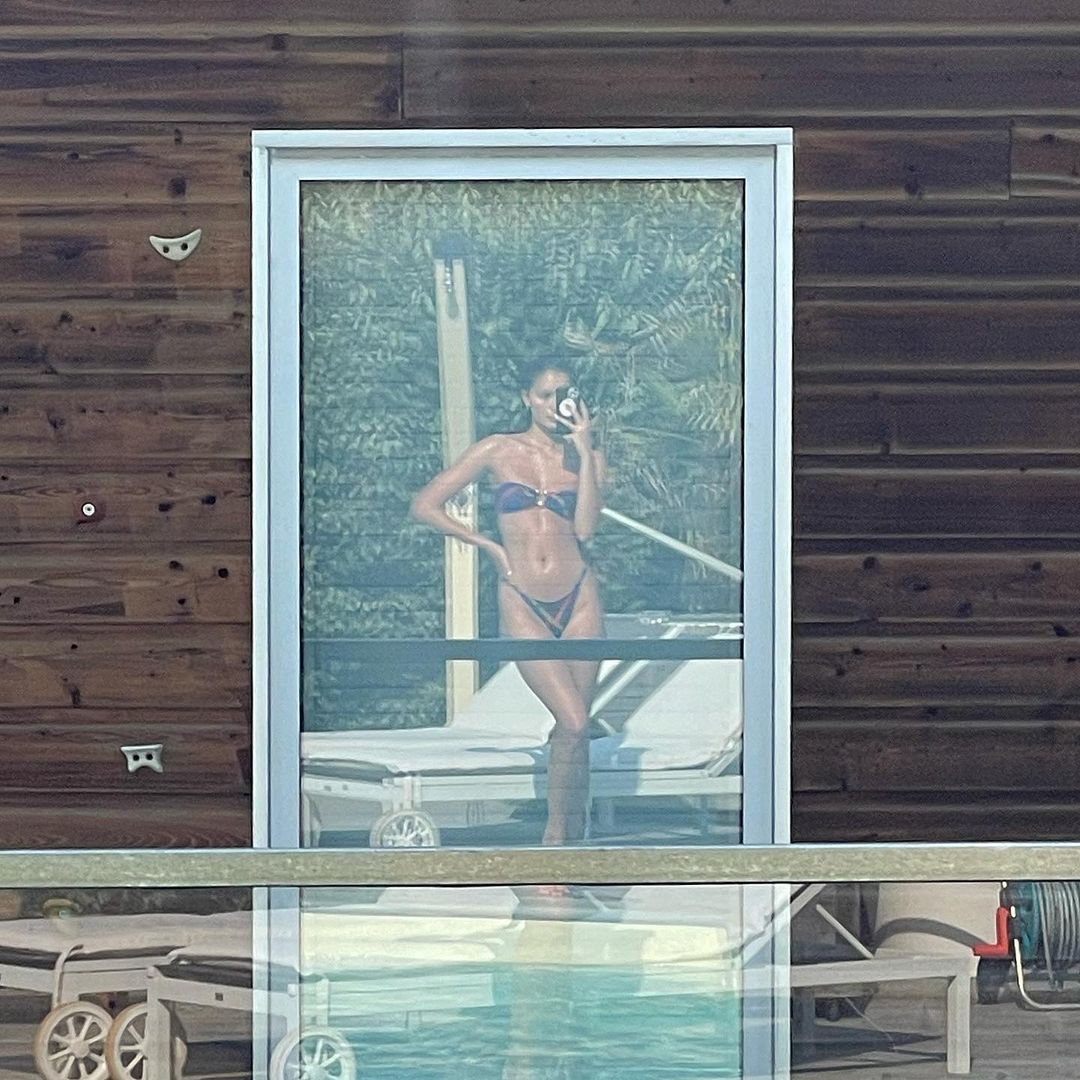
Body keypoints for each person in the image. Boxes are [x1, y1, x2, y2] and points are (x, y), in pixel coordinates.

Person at [410, 361, 606, 849]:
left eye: (563, 393)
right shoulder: (498, 449)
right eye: (545, 394)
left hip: (579, 596)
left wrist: (584, 450)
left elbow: (585, 530)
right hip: (522, 597)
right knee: (573, 721)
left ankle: (570, 842)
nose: (555, 403)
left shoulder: (587, 457)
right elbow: (425, 505)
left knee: (575, 731)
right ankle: (554, 844)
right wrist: (487, 545)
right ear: (527, 398)